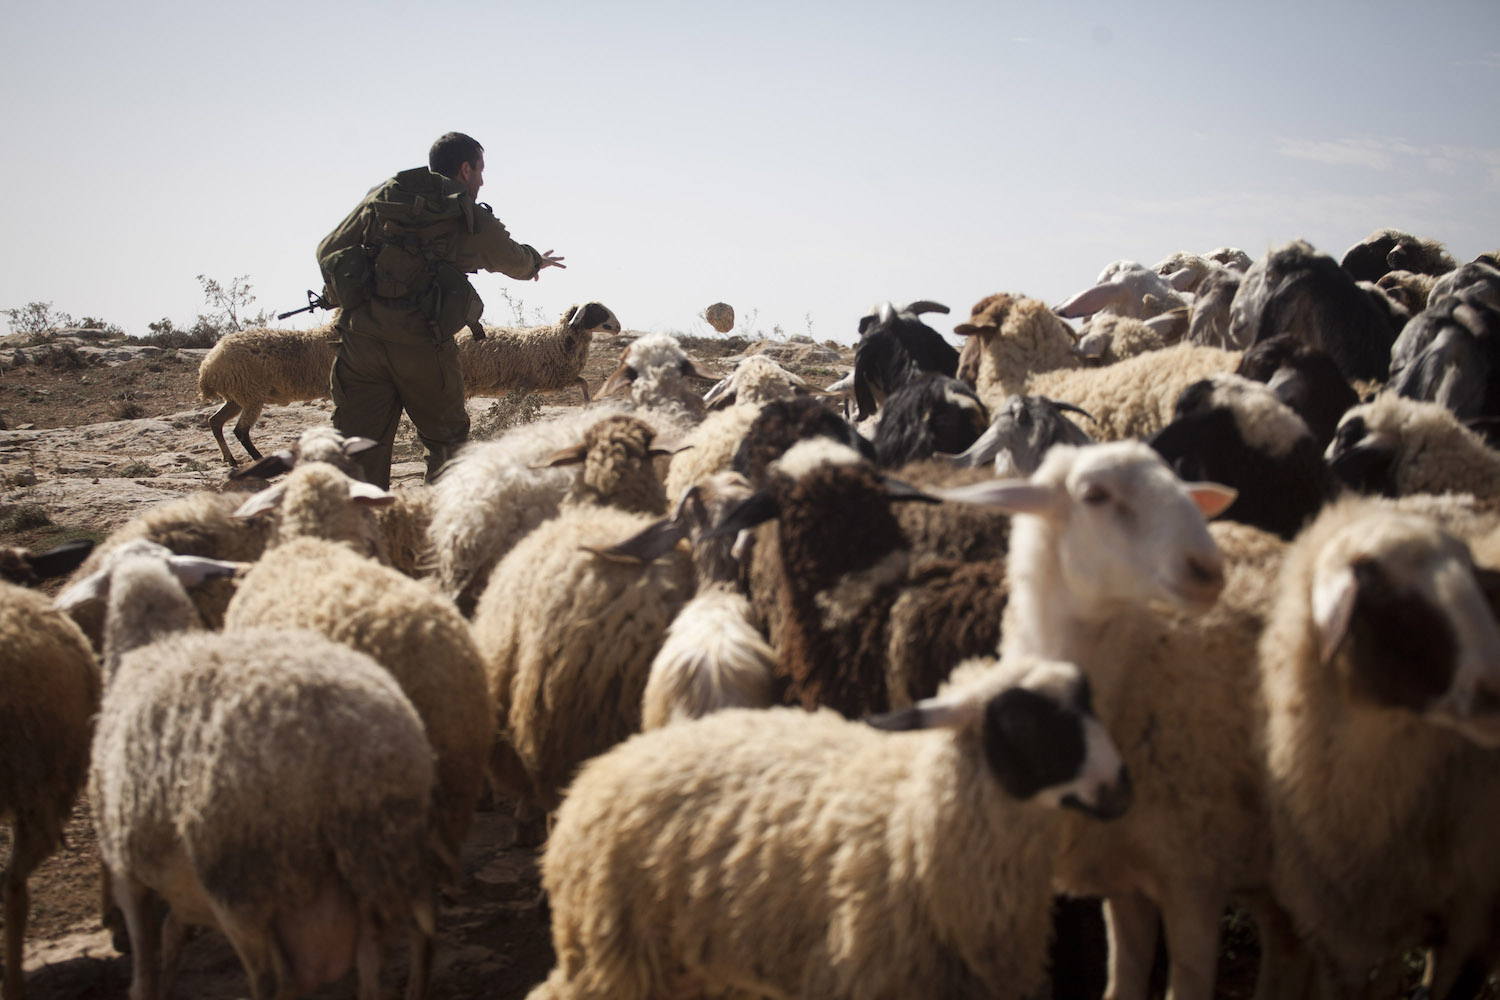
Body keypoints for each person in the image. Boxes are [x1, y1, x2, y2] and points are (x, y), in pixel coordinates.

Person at [317, 131, 565, 488]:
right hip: (422, 346)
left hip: (360, 342)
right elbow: (512, 260)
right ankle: (438, 526)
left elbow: (328, 250)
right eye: (480, 170)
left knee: (354, 451)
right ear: (465, 169)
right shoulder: (464, 213)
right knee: (448, 445)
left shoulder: (386, 194)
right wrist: (535, 262)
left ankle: (355, 533)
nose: (482, 179)